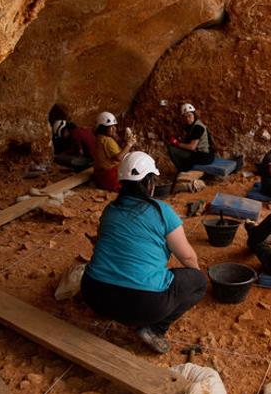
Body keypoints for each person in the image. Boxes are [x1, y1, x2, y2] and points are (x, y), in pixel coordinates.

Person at [81, 152, 206, 354]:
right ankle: (155, 329)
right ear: (150, 183)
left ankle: (116, 313)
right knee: (199, 282)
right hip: (145, 304)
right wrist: (194, 277)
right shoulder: (161, 211)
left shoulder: (110, 209)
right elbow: (188, 257)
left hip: (94, 293)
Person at [93, 111, 136, 192]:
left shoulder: (99, 137)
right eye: (111, 127)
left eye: (114, 126)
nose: (114, 129)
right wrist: (129, 145)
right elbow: (118, 158)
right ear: (103, 128)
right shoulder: (107, 140)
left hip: (99, 176)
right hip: (109, 178)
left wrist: (123, 142)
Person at [166, 103, 217, 172]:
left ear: (194, 115)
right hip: (203, 154)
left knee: (172, 149)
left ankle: (182, 171)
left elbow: (192, 147)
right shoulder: (192, 126)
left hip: (205, 156)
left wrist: (177, 143)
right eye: (185, 117)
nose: (188, 119)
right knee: (177, 150)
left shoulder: (197, 127)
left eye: (189, 116)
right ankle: (183, 169)